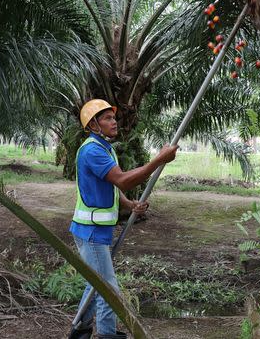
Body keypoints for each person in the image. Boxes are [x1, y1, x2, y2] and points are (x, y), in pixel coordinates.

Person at [68, 99, 178, 339]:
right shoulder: (93, 150)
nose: (113, 121)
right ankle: (107, 335)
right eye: (107, 118)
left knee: (95, 285)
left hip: (95, 229)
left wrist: (129, 204)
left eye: (113, 117)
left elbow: (110, 186)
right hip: (92, 232)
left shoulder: (104, 147)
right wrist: (159, 160)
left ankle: (80, 332)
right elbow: (122, 180)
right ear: (94, 125)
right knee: (108, 289)